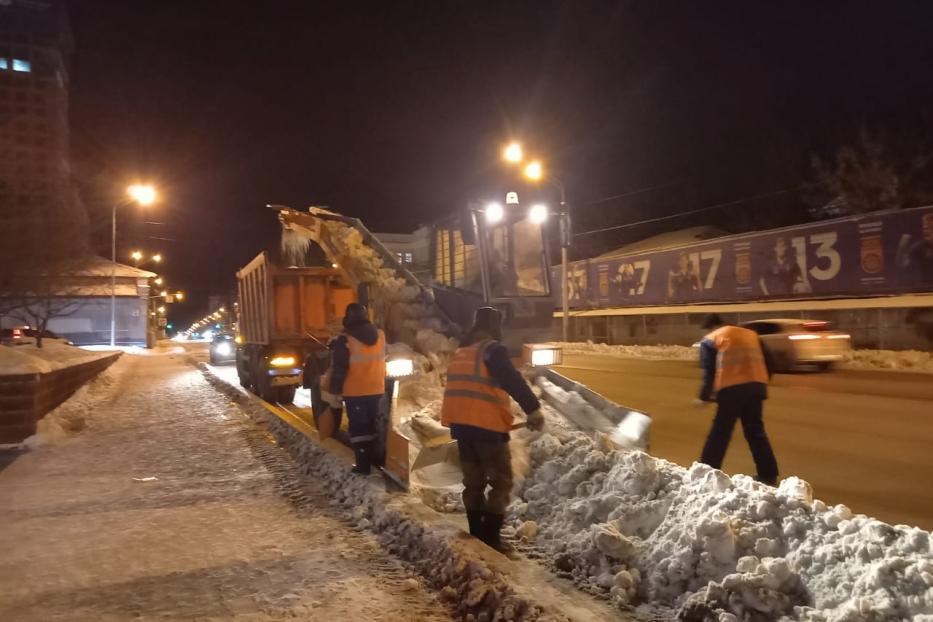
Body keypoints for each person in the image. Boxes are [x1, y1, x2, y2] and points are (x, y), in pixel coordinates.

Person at [441, 307, 544, 552]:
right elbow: (512, 379)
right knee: (502, 482)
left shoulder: (462, 352)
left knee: (473, 483)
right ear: (494, 328)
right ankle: (491, 537)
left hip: (462, 429)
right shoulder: (492, 351)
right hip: (486, 428)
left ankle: (477, 532)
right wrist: (533, 409)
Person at [696, 313, 779, 486]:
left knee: (720, 432)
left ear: (711, 327)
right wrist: (760, 382)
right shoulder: (750, 334)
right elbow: (769, 361)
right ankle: (768, 474)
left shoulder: (710, 339)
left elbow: (709, 372)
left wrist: (704, 396)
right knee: (755, 431)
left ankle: (706, 473)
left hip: (731, 388)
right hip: (757, 385)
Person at [322, 302, 386, 475]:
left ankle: (363, 466)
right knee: (373, 427)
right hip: (377, 390)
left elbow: (339, 369)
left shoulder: (345, 340)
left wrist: (334, 393)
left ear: (347, 319)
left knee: (359, 430)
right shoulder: (380, 335)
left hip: (356, 392)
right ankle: (374, 460)